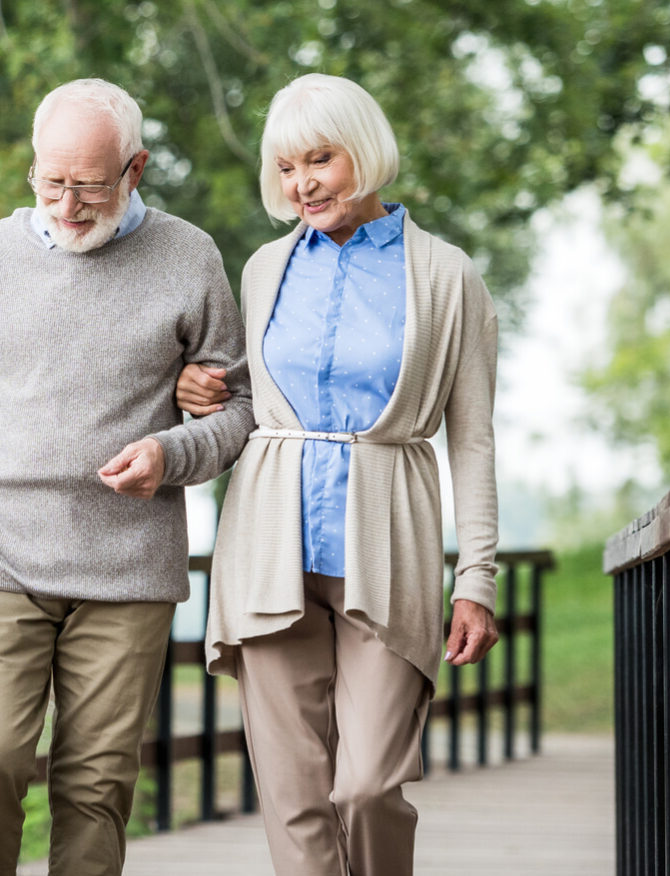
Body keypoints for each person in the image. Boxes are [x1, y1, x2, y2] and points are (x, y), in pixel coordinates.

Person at [0, 78, 249, 876]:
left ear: (136, 170)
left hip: (128, 569)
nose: (69, 205)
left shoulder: (190, 259)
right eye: (53, 183)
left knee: (96, 783)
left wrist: (170, 455)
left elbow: (241, 411)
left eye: (89, 185)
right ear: (32, 171)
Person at [178, 73, 502, 876]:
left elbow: (473, 439)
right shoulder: (262, 269)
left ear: (364, 150)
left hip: (388, 546)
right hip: (267, 549)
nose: (303, 185)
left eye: (320, 160)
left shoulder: (446, 276)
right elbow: (249, 398)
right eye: (287, 169)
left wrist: (478, 578)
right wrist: (199, 393)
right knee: (294, 799)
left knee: (368, 787)